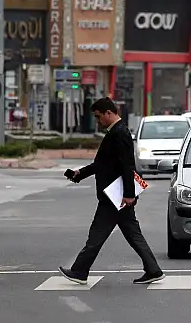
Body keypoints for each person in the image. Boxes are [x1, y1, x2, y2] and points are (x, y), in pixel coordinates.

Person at [60, 96, 164, 286]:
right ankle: (153, 269)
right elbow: (102, 165)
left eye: (99, 117)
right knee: (133, 234)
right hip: (116, 195)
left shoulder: (120, 133)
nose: (98, 122)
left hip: (115, 196)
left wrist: (129, 194)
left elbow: (127, 166)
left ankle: (79, 271)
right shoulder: (115, 132)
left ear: (109, 113)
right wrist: (79, 174)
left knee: (97, 234)